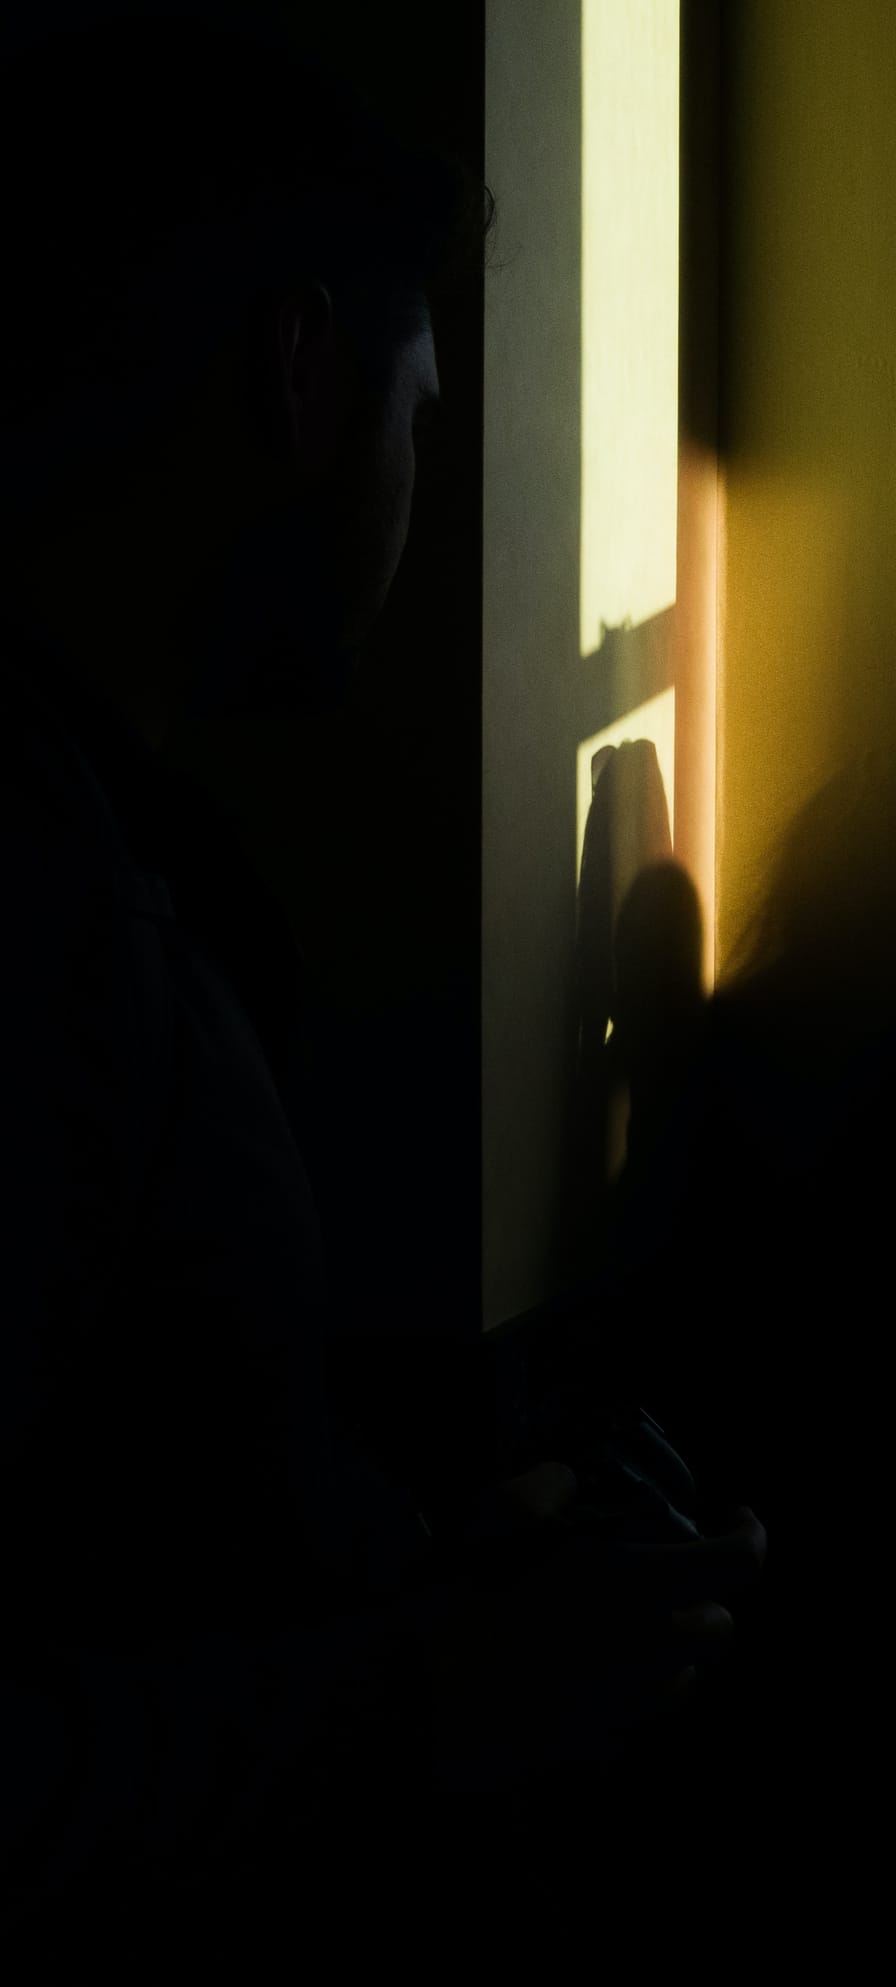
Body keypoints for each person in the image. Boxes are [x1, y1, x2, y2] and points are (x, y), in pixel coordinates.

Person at [0, 22, 763, 1955]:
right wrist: (425, 1693)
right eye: (420, 418)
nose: (422, 504)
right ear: (297, 371)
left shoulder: (121, 864)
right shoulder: (55, 922)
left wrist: (426, 1554)